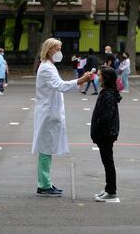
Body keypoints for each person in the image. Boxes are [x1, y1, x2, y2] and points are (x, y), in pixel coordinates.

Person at [32, 38, 91, 197]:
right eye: (57, 49)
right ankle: (43, 185)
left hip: (50, 112)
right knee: (45, 149)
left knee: (47, 149)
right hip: (48, 114)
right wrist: (81, 80)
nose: (60, 52)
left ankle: (45, 183)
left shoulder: (49, 66)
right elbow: (60, 86)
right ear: (49, 49)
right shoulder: (47, 68)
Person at [91, 66, 122, 202]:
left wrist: (97, 126)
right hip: (105, 133)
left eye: (99, 75)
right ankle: (109, 188)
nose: (98, 78)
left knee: (108, 162)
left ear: (105, 78)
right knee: (107, 162)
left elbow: (106, 116)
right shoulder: (106, 92)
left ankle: (111, 191)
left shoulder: (108, 94)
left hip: (106, 134)